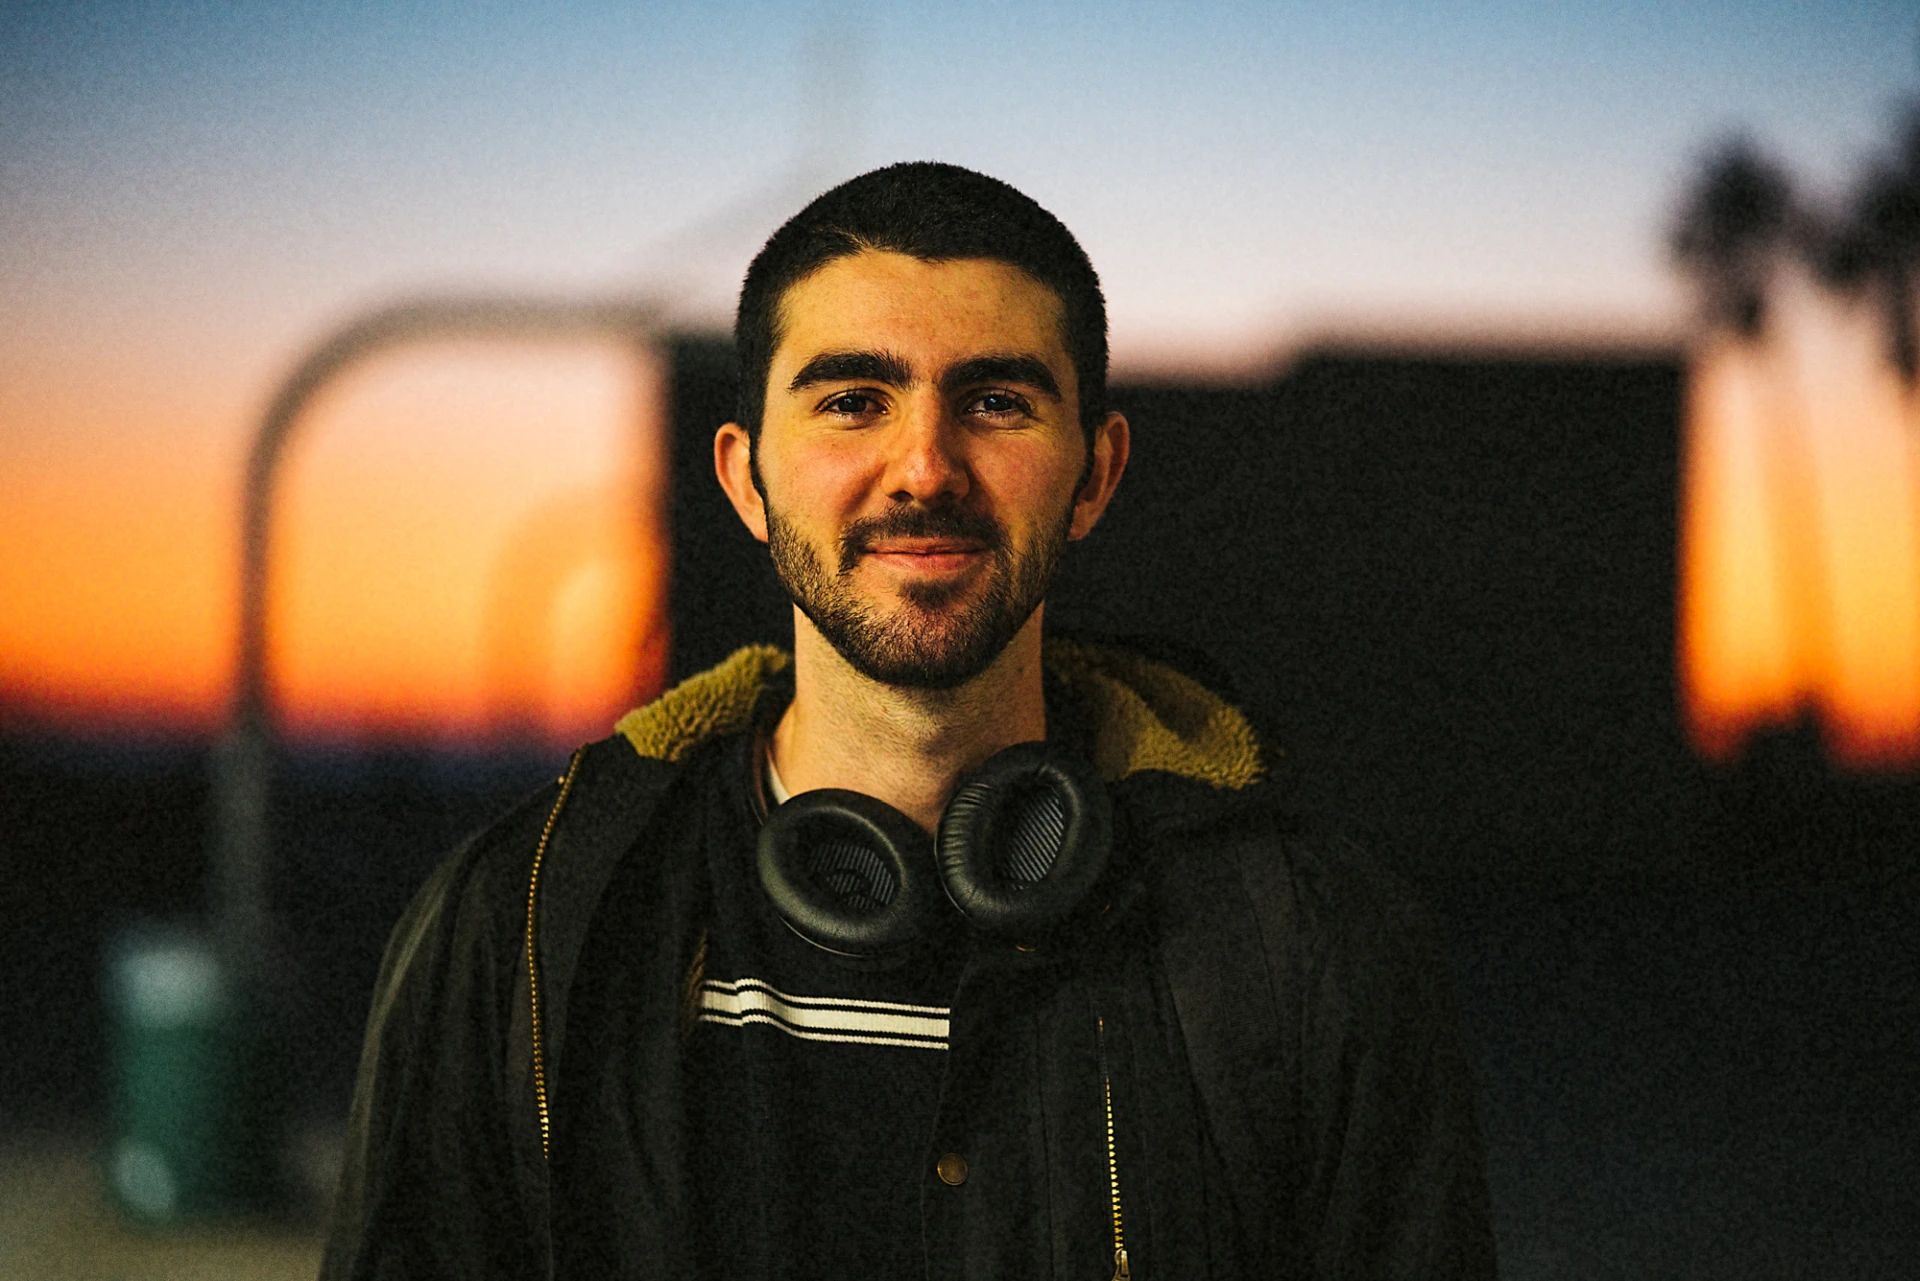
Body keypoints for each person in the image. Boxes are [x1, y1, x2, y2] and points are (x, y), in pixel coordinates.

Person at [322, 162, 1495, 1280]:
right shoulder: (522, 924)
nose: (925, 467)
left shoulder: (1310, 948)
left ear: (1095, 475)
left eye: (995, 402)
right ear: (746, 479)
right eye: (852, 402)